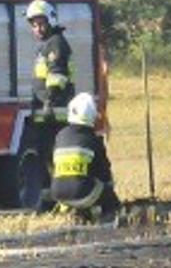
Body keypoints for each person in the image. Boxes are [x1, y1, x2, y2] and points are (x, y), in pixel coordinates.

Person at [26, 0, 75, 202]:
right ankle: (49, 198)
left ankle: (58, 198)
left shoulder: (55, 43)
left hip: (56, 114)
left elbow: (57, 76)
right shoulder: (46, 45)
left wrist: (49, 102)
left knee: (52, 157)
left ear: (51, 20)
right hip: (46, 112)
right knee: (44, 157)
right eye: (34, 25)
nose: (37, 29)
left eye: (41, 24)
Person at [51, 93, 120, 222]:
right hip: (81, 193)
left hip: (58, 194)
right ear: (91, 116)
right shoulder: (93, 139)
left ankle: (75, 213)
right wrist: (110, 195)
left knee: (84, 183)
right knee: (105, 192)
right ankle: (109, 221)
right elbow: (104, 172)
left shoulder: (60, 135)